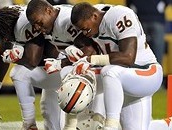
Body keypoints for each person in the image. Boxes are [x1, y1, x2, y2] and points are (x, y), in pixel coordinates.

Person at [70, 2, 163, 130]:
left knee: (108, 71)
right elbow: (87, 48)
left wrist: (92, 59)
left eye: (86, 29)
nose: (85, 33)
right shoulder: (92, 18)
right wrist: (73, 50)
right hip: (124, 80)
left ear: (94, 17)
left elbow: (128, 58)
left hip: (146, 72)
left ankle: (110, 124)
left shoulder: (120, 15)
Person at [0, 5, 67, 130]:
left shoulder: (26, 23)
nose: (4, 38)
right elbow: (3, 49)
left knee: (19, 73)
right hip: (56, 67)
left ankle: (29, 124)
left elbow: (32, 60)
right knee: (50, 118)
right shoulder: (11, 16)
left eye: (3, 35)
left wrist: (14, 58)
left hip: (68, 68)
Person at [26, 0, 105, 129]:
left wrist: (61, 63)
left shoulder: (64, 21)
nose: (36, 28)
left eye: (38, 22)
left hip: (96, 69)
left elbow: (90, 50)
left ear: (48, 11)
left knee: (86, 119)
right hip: (84, 68)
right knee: (48, 103)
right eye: (34, 25)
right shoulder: (52, 21)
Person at [126, 0, 170, 65]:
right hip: (139, 20)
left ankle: (157, 73)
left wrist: (164, 3)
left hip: (155, 19)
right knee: (139, 54)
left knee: (156, 53)